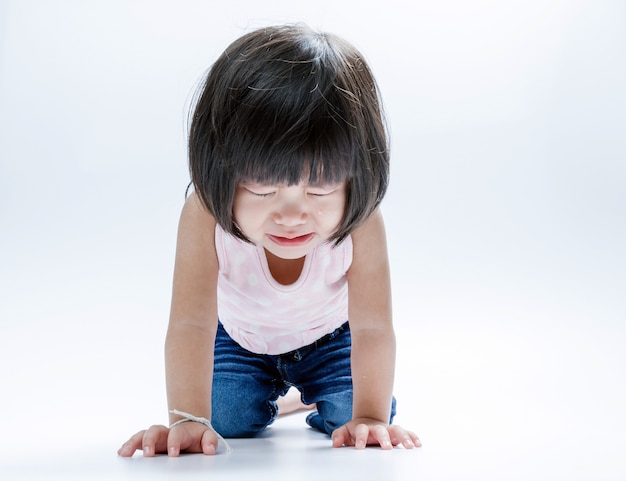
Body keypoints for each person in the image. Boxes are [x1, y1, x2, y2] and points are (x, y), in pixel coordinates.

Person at [118, 23, 421, 457]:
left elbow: (372, 328)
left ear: (357, 181)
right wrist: (186, 419)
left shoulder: (361, 221)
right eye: (262, 190)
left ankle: (311, 397)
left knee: (351, 417)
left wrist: (371, 416)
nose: (292, 215)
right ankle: (281, 395)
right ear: (220, 172)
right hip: (241, 339)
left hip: (330, 340)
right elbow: (191, 323)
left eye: (319, 191)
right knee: (221, 420)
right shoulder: (206, 215)